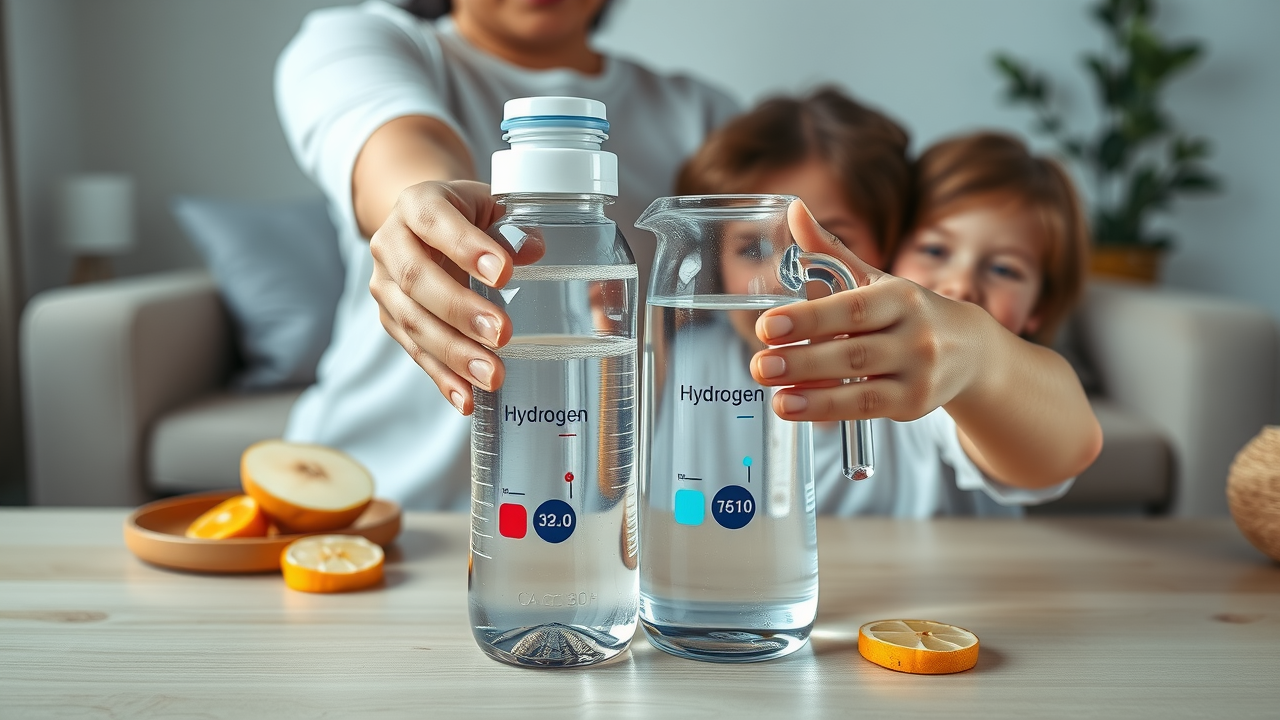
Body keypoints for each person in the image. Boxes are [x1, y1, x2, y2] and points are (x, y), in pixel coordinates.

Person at [274, 0, 739, 508]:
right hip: (363, 504)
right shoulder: (360, 42)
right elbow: (399, 151)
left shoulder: (705, 118)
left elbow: (772, 279)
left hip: (587, 527)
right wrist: (432, 215)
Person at [746, 131, 1102, 514]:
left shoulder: (961, 400)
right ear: (891, 251)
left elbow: (1071, 447)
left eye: (1004, 269)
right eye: (934, 249)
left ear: (1040, 308)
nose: (961, 284)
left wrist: (979, 360)